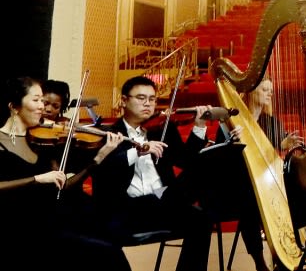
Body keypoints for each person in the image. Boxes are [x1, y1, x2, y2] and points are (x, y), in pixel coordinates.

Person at [0, 76, 130, 269]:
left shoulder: (40, 141)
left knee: (111, 246)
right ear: (14, 106)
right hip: (18, 229)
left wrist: (98, 159)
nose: (42, 107)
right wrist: (37, 179)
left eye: (42, 101)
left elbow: (64, 184)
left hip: (50, 221)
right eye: (36, 100)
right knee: (107, 255)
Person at [92, 75, 215, 271]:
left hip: (161, 201)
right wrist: (138, 150)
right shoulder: (108, 133)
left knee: (201, 218)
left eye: (152, 99)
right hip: (126, 208)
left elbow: (185, 160)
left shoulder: (162, 128)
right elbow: (102, 169)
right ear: (124, 101)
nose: (147, 104)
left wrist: (199, 127)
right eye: (141, 98)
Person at [219, 76, 305, 271]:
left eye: (271, 90)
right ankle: (259, 260)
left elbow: (278, 146)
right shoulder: (230, 119)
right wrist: (231, 141)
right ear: (251, 92)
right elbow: (223, 157)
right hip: (233, 185)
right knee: (250, 200)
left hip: (263, 183)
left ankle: (289, 250)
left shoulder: (270, 121)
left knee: (294, 192)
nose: (270, 94)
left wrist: (285, 145)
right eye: (265, 89)